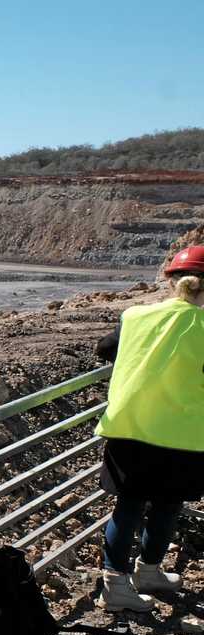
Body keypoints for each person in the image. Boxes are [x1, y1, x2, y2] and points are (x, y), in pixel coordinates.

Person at [94, 245, 204, 612]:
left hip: (129, 428)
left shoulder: (134, 316)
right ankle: (144, 571)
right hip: (182, 437)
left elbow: (105, 349)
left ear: (172, 282)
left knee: (128, 507)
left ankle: (121, 581)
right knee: (167, 505)